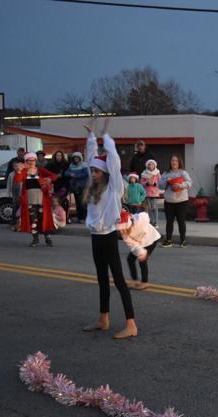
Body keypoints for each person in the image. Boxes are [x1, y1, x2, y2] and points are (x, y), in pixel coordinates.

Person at [82, 117, 138, 340]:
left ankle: (131, 324)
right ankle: (103, 319)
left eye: (97, 172)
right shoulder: (94, 188)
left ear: (104, 173)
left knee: (119, 281)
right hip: (96, 238)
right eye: (93, 171)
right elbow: (89, 160)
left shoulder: (114, 188)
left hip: (108, 237)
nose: (93, 173)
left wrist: (106, 138)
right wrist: (91, 139)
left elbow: (113, 161)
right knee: (101, 279)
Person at [16, 152, 57, 247]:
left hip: (42, 200)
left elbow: (54, 176)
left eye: (33, 160)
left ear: (36, 160)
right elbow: (17, 180)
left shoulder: (40, 170)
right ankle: (35, 239)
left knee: (44, 219)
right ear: (26, 161)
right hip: (29, 201)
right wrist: (19, 170)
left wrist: (49, 180)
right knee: (33, 220)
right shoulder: (24, 172)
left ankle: (48, 237)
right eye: (29, 160)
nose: (31, 162)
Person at [116, 209, 161, 290]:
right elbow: (133, 245)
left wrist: (143, 254)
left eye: (123, 229)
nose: (122, 232)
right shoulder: (124, 235)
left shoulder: (139, 220)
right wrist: (141, 252)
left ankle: (145, 282)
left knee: (142, 261)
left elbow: (145, 215)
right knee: (130, 259)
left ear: (128, 225)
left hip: (152, 239)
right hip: (140, 243)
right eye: (120, 230)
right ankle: (135, 280)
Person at [159, 155, 192, 248]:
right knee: (169, 222)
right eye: (172, 160)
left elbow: (189, 182)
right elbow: (160, 185)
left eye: (176, 161)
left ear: (179, 162)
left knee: (181, 221)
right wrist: (167, 181)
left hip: (181, 201)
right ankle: (169, 240)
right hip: (169, 201)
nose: (174, 162)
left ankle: (183, 240)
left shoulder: (183, 173)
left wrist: (180, 185)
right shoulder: (166, 173)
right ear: (170, 162)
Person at [64, 152, 89, 223]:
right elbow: (66, 173)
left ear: (80, 158)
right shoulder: (71, 166)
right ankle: (79, 217)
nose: (76, 159)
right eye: (75, 158)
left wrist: (75, 175)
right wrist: (70, 174)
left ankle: (84, 218)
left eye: (77, 158)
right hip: (75, 187)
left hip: (82, 187)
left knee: (83, 203)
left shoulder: (84, 165)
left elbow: (86, 174)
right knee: (77, 203)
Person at [45, 150, 71, 218]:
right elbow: (45, 172)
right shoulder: (51, 164)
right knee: (54, 202)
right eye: (57, 155)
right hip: (54, 186)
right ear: (55, 156)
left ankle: (65, 217)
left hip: (64, 185)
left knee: (63, 201)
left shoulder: (66, 164)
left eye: (60, 155)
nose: (58, 157)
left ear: (62, 156)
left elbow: (69, 174)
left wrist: (62, 175)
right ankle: (55, 216)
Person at [140, 159, 161, 226]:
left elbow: (160, 182)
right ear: (147, 166)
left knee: (155, 208)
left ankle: (156, 222)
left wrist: (155, 184)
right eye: (149, 164)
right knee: (149, 208)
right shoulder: (144, 173)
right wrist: (147, 183)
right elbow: (141, 182)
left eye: (152, 164)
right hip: (147, 193)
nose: (151, 165)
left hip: (155, 193)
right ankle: (150, 221)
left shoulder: (157, 173)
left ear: (155, 165)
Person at [7, 158, 25, 230]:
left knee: (22, 208)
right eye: (15, 166)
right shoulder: (11, 174)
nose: (16, 167)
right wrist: (9, 193)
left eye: (18, 166)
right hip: (15, 193)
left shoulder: (24, 173)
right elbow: (9, 184)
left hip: (22, 193)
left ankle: (21, 223)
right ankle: (14, 222)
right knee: (15, 208)